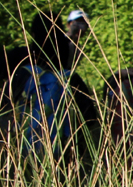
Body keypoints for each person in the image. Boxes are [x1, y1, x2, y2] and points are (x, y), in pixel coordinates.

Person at [13, 11, 93, 164]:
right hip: (64, 159)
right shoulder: (71, 79)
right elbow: (89, 121)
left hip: (24, 157)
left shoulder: (22, 74)